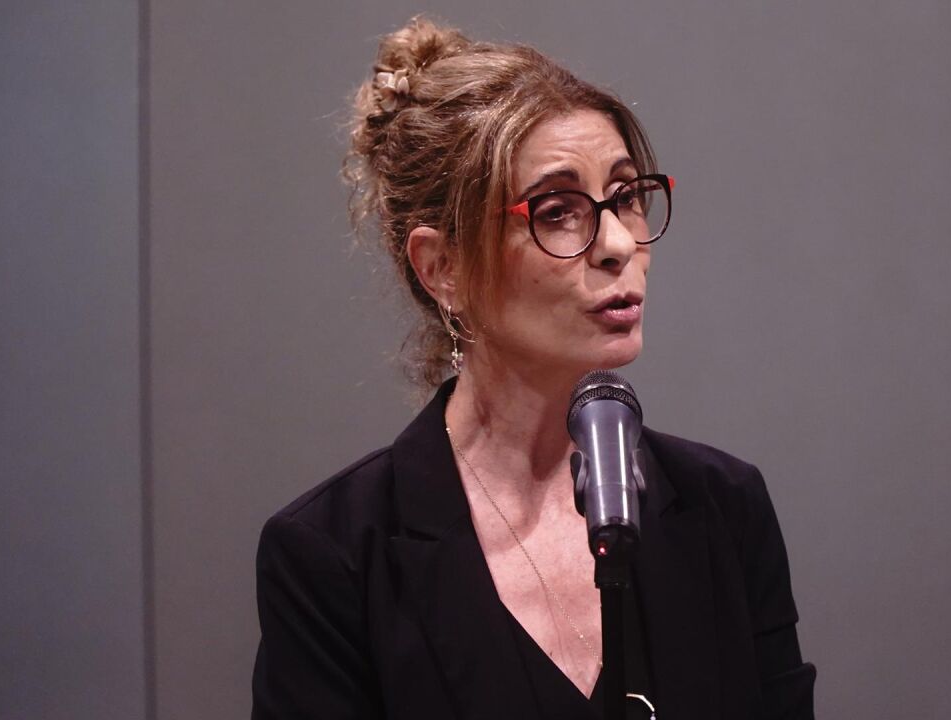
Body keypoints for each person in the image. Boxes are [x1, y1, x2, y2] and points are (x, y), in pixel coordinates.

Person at [251, 17, 816, 720]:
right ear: (444, 267)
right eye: (557, 212)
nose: (618, 244)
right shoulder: (333, 555)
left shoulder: (724, 508)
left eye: (626, 197)